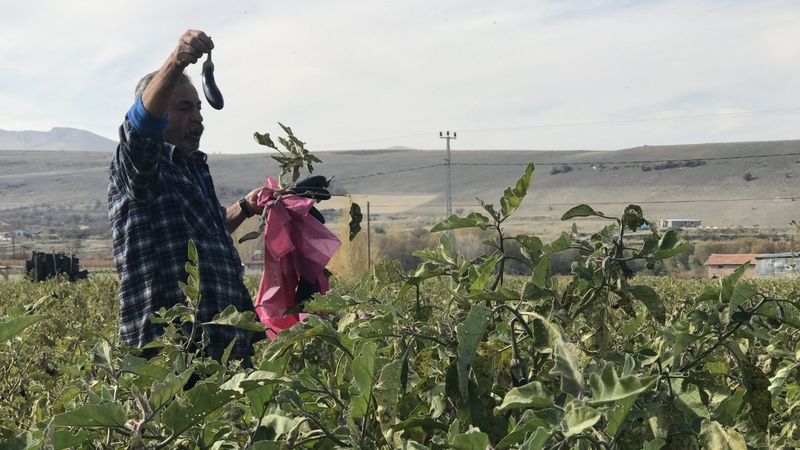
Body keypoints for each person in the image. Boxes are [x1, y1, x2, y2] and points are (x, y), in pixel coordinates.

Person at [108, 30, 264, 366]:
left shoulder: (192, 168)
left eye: (197, 107)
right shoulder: (140, 168)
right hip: (172, 350)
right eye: (183, 108)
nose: (197, 117)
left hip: (225, 347)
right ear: (159, 112)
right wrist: (178, 60)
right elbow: (140, 130)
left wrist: (247, 206)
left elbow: (210, 234)